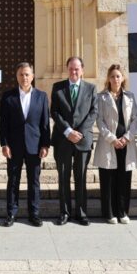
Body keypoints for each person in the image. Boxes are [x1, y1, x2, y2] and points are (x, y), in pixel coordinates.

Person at [0, 62, 50, 227]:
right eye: (21, 74)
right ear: (17, 77)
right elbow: (4, 124)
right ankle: (11, 213)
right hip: (14, 147)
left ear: (33, 76)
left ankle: (34, 214)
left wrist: (45, 145)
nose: (24, 77)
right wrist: (4, 144)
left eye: (27, 74)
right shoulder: (8, 96)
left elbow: (45, 124)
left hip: (34, 146)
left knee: (34, 181)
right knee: (13, 180)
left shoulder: (41, 96)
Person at [51, 56, 98, 226]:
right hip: (63, 140)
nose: (74, 72)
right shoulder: (57, 88)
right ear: (67, 69)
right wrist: (68, 131)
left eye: (77, 69)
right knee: (63, 178)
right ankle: (64, 213)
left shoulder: (91, 89)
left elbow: (94, 112)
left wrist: (79, 132)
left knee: (81, 177)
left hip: (83, 140)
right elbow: (54, 112)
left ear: (82, 70)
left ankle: (81, 213)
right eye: (71, 68)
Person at [93, 64, 137, 224]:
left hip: (126, 143)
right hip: (109, 143)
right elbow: (99, 120)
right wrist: (112, 138)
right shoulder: (101, 97)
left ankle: (122, 212)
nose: (115, 79)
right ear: (108, 78)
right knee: (108, 180)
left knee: (124, 179)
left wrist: (126, 138)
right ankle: (109, 213)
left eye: (118, 76)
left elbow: (135, 119)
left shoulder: (130, 97)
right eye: (112, 76)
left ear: (123, 78)